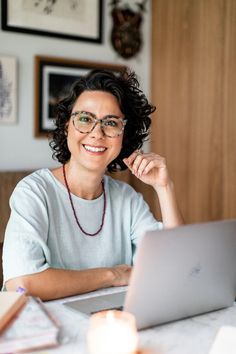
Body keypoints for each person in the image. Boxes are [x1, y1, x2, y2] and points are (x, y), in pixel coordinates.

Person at [3, 69, 184, 300]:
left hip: (114, 323)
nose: (97, 133)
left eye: (110, 122)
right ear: (67, 126)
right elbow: (21, 284)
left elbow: (177, 267)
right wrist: (111, 275)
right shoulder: (34, 192)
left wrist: (164, 187)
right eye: (85, 119)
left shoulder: (127, 198)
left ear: (123, 135)